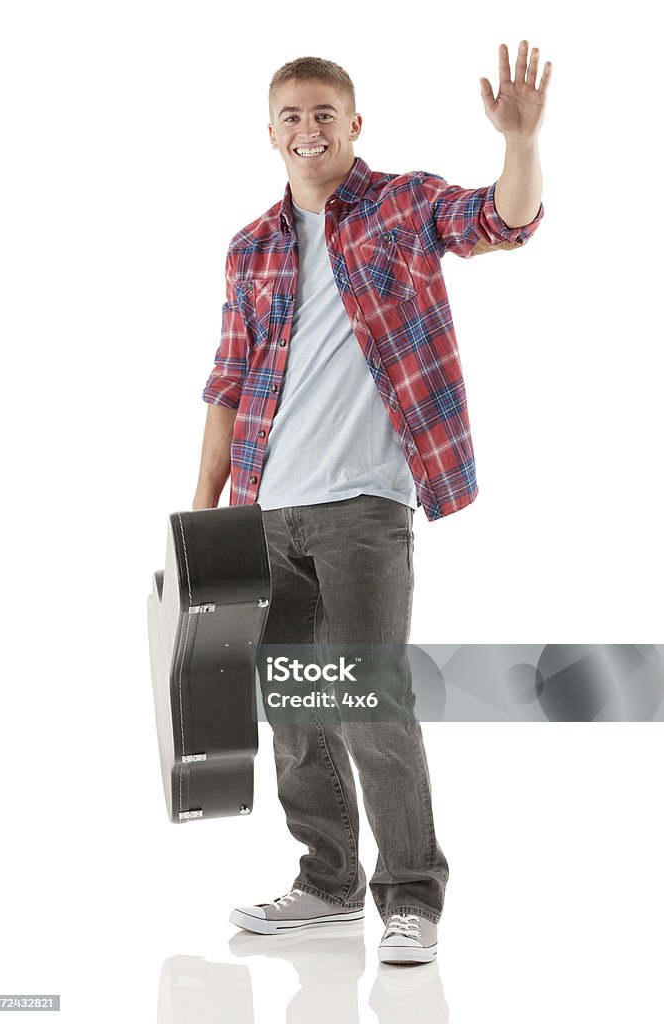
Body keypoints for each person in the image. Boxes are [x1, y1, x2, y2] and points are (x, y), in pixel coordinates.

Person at [193, 42, 551, 965]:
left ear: (354, 126)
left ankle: (411, 897)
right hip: (266, 508)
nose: (308, 130)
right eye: (291, 116)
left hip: (363, 510)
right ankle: (325, 883)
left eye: (324, 114)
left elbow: (498, 222)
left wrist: (520, 144)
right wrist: (205, 510)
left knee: (368, 701)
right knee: (293, 709)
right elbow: (228, 381)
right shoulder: (250, 246)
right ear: (269, 134)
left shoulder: (397, 206)